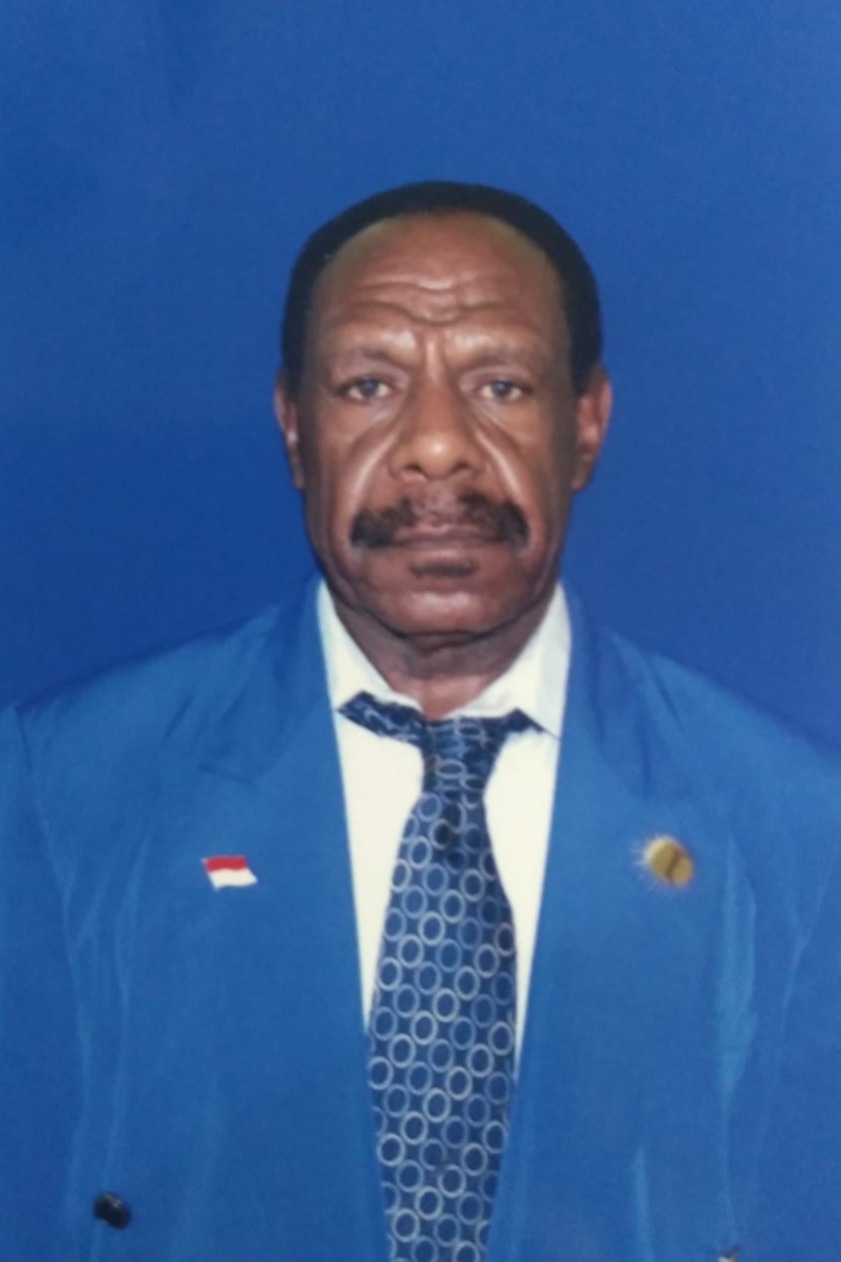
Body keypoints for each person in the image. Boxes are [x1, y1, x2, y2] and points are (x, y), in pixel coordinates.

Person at [1, 181, 840, 1262]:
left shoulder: (798, 833)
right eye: (369, 384)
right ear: (294, 428)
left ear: (585, 425)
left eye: (499, 384)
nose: (437, 446)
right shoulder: (59, 794)